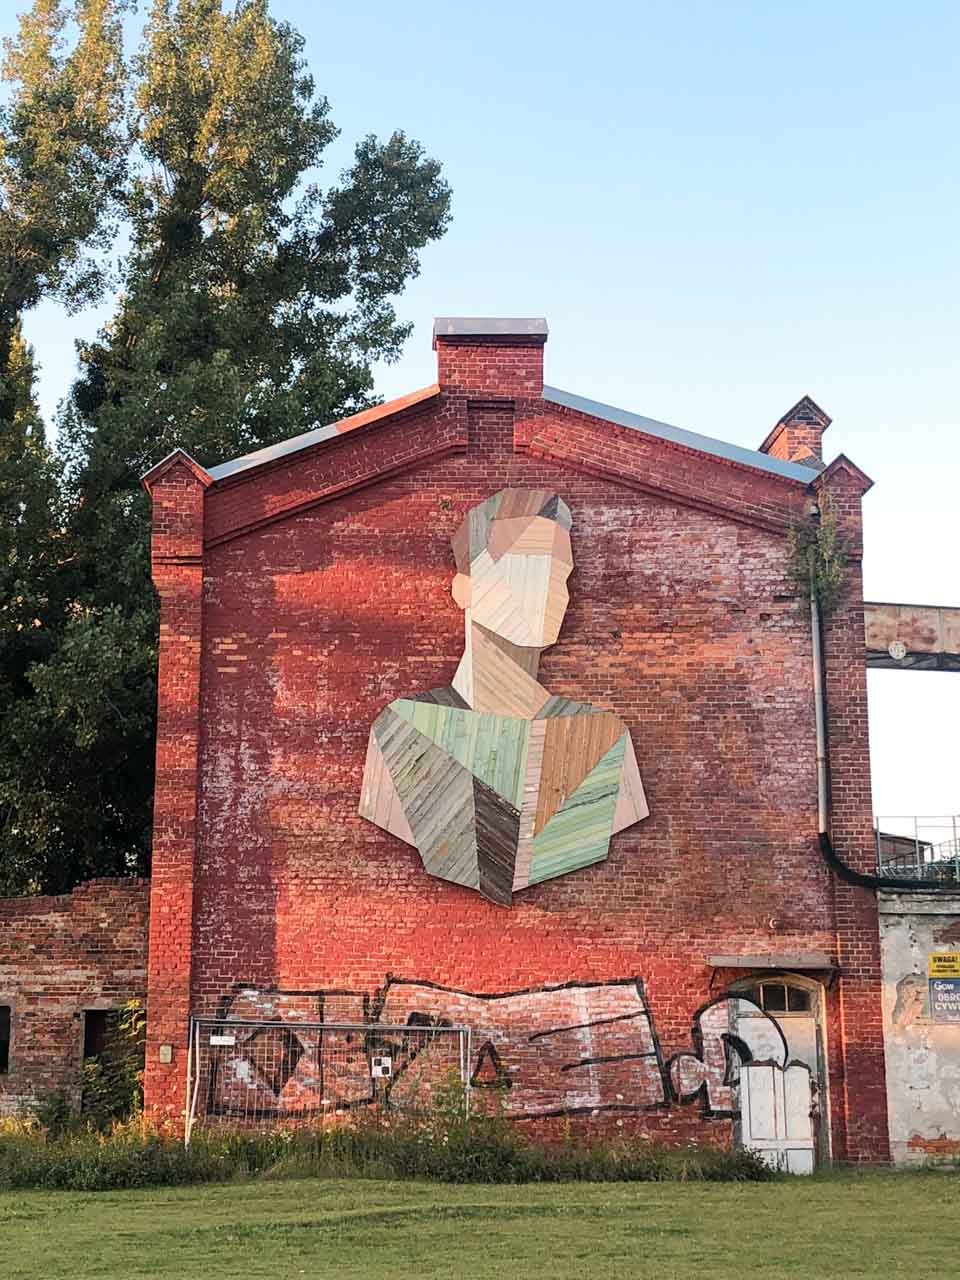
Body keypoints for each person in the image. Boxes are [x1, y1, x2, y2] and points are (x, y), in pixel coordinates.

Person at [359, 488, 648, 905]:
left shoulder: (604, 740)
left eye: (560, 574)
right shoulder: (400, 731)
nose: (551, 590)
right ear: (464, 588)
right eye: (523, 568)